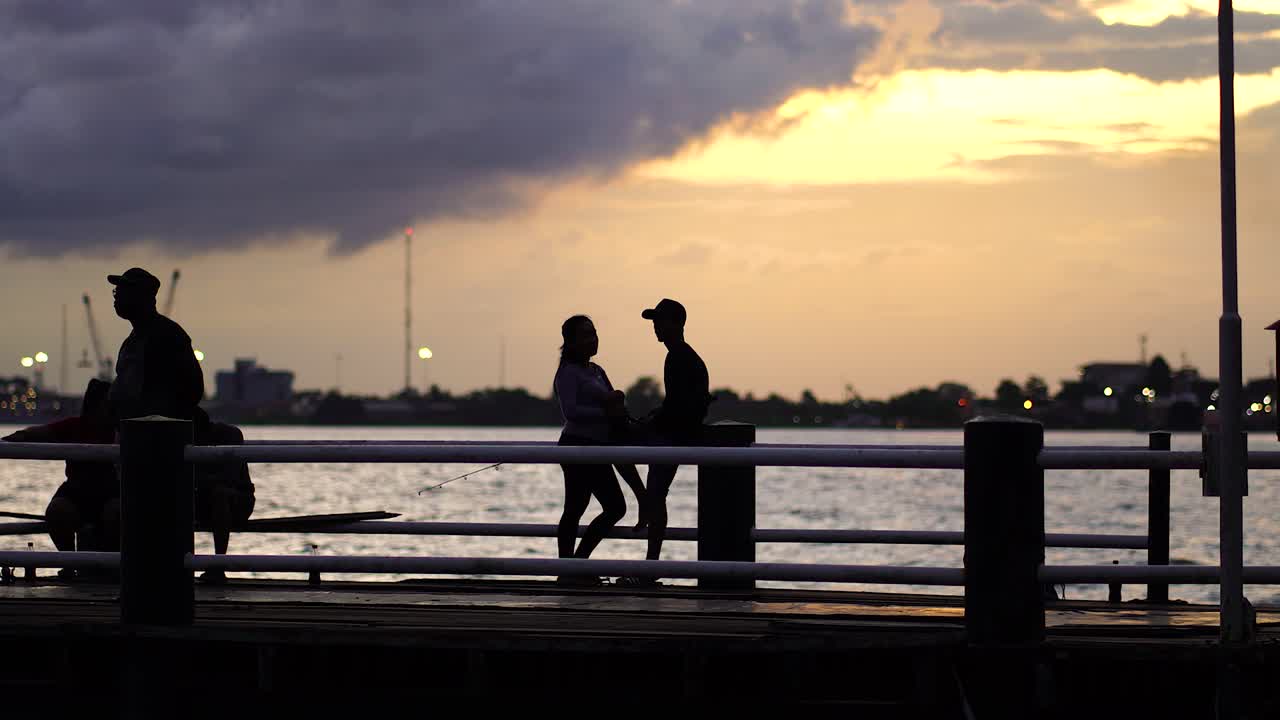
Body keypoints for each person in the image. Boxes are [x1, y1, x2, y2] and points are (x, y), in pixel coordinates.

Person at [553, 315, 645, 586]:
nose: (592, 339)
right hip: (577, 446)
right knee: (599, 507)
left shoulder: (597, 371)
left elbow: (611, 406)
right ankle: (572, 568)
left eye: (594, 333)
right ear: (570, 342)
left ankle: (571, 569)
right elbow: (570, 412)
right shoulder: (568, 372)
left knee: (583, 508)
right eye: (585, 335)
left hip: (597, 447)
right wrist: (606, 410)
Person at [629, 299, 710, 580]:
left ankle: (650, 566)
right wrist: (658, 414)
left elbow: (680, 407)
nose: (656, 327)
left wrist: (654, 420)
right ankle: (651, 565)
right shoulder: (682, 355)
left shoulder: (678, 356)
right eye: (654, 322)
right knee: (655, 495)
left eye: (660, 321)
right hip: (677, 431)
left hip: (674, 435)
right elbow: (680, 403)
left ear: (678, 323)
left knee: (654, 493)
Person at [2, 379, 118, 575]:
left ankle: (116, 565)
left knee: (118, 513)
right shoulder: (74, 426)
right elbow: (38, 433)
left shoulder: (118, 430)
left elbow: (39, 433)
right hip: (77, 491)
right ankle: (70, 563)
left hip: (110, 491)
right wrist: (10, 440)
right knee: (57, 511)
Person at [106, 267, 204, 422]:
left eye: (122, 292)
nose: (116, 297)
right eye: (115, 292)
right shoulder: (131, 341)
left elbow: (192, 390)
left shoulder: (169, 336)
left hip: (159, 432)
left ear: (141, 297)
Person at [193, 412, 256, 584]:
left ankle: (219, 565)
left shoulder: (230, 435)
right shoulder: (229, 434)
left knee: (219, 494)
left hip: (236, 501)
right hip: (203, 500)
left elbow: (231, 477)